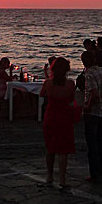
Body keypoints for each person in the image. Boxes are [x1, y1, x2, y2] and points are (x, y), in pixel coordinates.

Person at [40, 57, 78, 190]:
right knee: (63, 150)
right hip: (64, 116)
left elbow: (42, 94)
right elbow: (71, 99)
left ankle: (49, 175)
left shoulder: (48, 83)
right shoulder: (70, 84)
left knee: (50, 148)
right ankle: (62, 179)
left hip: (51, 115)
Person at [81, 51, 102, 183]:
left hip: (92, 113)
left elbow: (93, 94)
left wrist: (87, 107)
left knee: (92, 145)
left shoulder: (89, 74)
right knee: (101, 143)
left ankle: (95, 174)